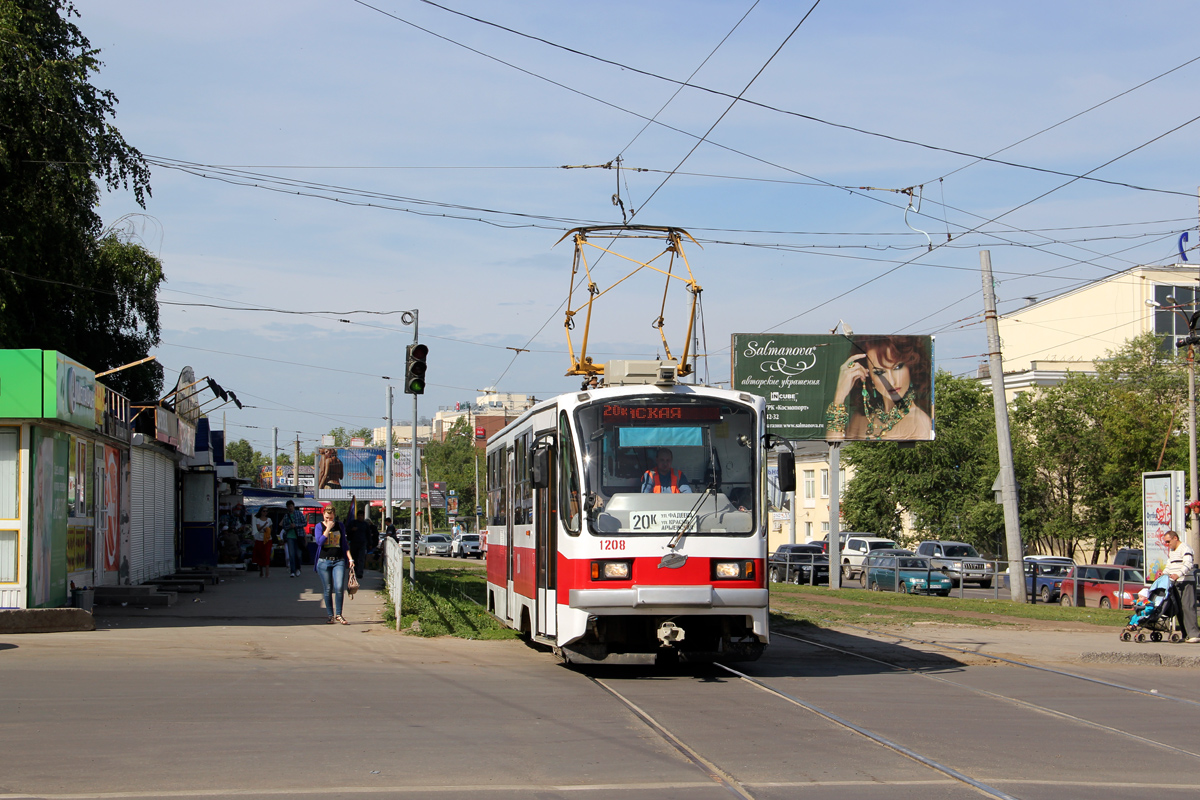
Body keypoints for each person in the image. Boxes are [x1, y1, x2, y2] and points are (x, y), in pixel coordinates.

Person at [825, 335, 933, 441]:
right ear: (867, 375)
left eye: (897, 367)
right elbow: (835, 451)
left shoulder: (920, 423)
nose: (891, 381)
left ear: (911, 366)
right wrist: (839, 396)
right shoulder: (860, 418)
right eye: (880, 372)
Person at [313, 506, 355, 624]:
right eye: (326, 517)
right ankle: (330, 615)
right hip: (323, 561)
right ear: (323, 515)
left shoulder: (340, 526)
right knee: (327, 589)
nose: (328, 520)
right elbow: (319, 542)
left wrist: (350, 559)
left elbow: (344, 544)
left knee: (339, 588)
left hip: (339, 560)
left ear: (334, 516)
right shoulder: (319, 526)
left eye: (331, 518)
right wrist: (327, 529)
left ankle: (339, 615)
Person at [1163, 529, 1200, 642]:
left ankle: (1194, 634)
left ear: (1175, 538)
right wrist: (1164, 574)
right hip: (1175, 582)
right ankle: (1185, 633)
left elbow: (1188, 563)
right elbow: (1169, 564)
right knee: (1178, 608)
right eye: (1166, 542)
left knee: (1188, 607)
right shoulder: (1172, 551)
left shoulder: (1185, 548)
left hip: (1186, 581)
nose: (1167, 544)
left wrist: (1178, 574)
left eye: (1168, 541)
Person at [279, 500, 305, 577]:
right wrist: (289, 526)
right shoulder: (286, 516)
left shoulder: (299, 513)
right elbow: (283, 526)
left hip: (299, 536)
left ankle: (298, 568)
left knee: (298, 554)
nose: (290, 508)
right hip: (290, 536)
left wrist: (296, 525)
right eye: (288, 506)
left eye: (291, 506)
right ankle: (292, 571)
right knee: (291, 554)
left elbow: (304, 523)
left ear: (293, 506)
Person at [251, 507, 273, 578]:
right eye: (264, 511)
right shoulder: (258, 520)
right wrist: (264, 526)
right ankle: (261, 570)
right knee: (260, 555)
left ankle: (267, 572)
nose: (265, 512)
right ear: (261, 512)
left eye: (266, 511)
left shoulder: (269, 519)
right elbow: (258, 529)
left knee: (267, 554)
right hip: (260, 539)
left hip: (267, 538)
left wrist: (268, 530)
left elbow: (271, 527)